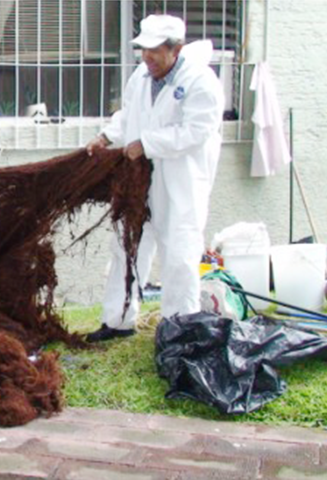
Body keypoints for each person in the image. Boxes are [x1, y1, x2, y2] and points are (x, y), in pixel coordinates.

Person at [85, 15, 224, 342]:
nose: (147, 58)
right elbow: (129, 113)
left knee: (178, 252)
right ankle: (118, 321)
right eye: (144, 50)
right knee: (127, 245)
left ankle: (178, 328)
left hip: (180, 183)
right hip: (139, 181)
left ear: (176, 49)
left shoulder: (201, 82)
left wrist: (147, 144)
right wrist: (106, 136)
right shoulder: (142, 76)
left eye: (155, 51)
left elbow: (197, 131)